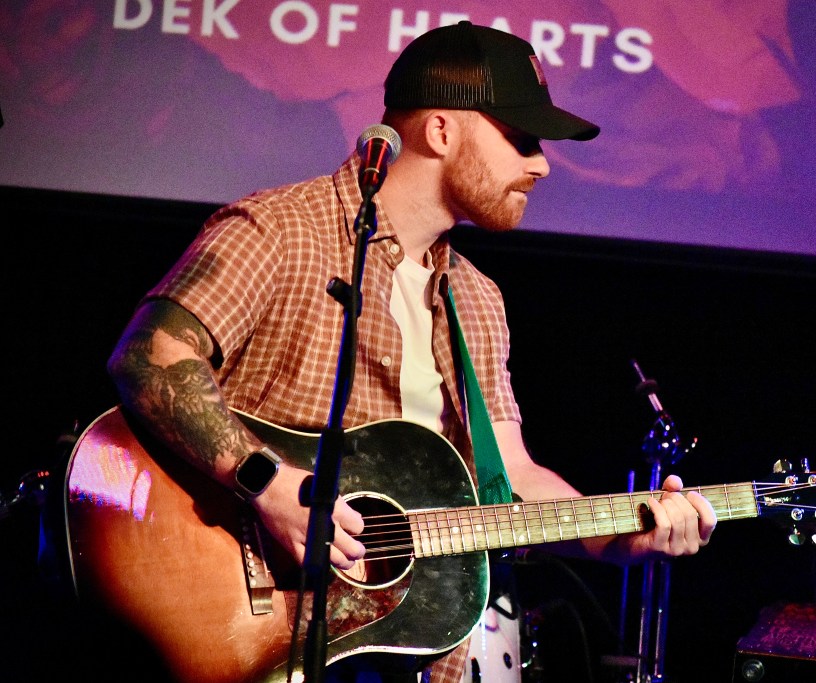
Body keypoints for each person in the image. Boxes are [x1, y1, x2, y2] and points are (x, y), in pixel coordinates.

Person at [106, 20, 717, 683]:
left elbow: (509, 476)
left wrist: (623, 535)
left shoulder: (476, 299)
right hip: (242, 623)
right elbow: (147, 357)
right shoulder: (280, 230)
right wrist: (269, 485)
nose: (542, 164)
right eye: (521, 139)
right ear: (441, 131)